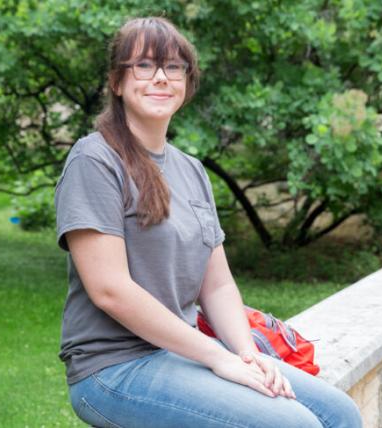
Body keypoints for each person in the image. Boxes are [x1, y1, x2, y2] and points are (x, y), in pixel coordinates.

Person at [54, 16, 362, 428]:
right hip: (114, 368)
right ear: (116, 81)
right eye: (143, 65)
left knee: (339, 413)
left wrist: (246, 354)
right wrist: (219, 357)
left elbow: (216, 283)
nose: (160, 78)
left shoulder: (191, 170)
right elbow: (110, 290)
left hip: (181, 354)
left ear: (187, 81)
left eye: (173, 67)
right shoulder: (94, 160)